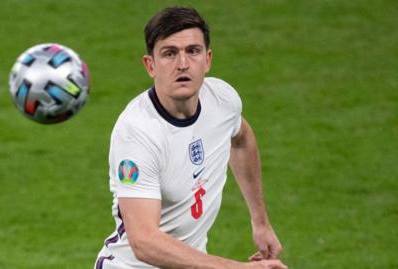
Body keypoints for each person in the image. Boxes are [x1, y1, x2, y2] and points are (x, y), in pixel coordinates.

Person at [95, 6, 287, 269]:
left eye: (192, 51)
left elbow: (241, 140)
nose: (182, 64)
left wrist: (260, 221)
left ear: (207, 60)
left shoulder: (222, 100)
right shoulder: (137, 133)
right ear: (150, 65)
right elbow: (144, 241)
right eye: (169, 53)